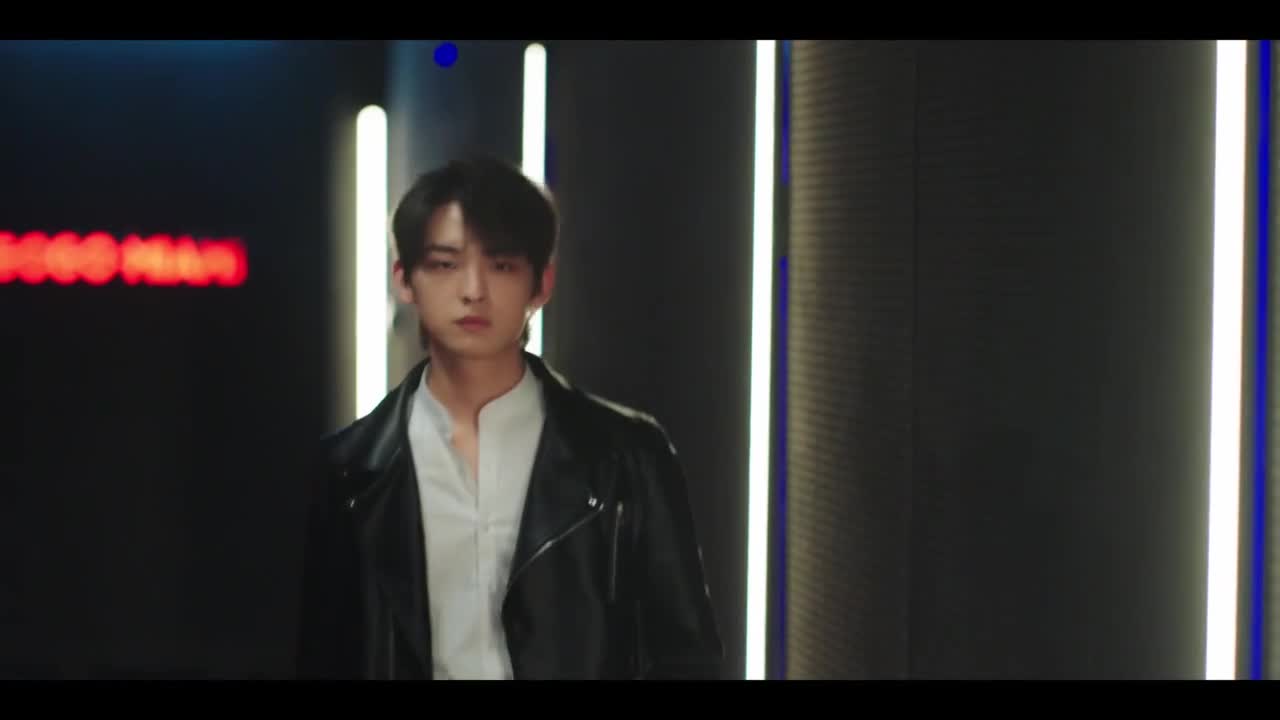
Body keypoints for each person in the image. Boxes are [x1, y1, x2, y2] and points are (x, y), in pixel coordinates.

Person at [294, 153, 723, 680]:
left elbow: (687, 657)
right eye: (445, 264)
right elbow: (324, 657)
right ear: (404, 280)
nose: (473, 290)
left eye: (501, 265)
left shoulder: (628, 457)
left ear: (541, 283)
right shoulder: (349, 470)